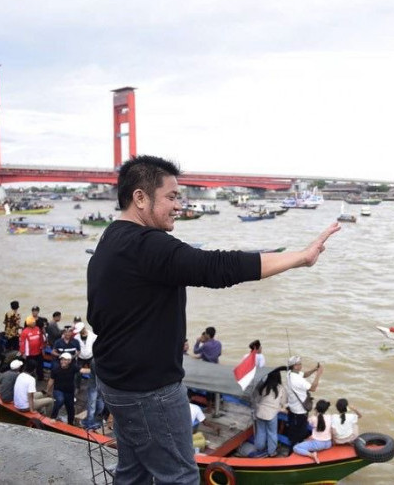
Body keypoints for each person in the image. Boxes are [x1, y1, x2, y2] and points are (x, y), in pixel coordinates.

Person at [86, 155, 340, 484]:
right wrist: (300, 258)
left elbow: (97, 315)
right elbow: (218, 268)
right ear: (140, 197)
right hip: (149, 388)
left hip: (114, 380)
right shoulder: (150, 246)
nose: (179, 205)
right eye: (172, 196)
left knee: (132, 469)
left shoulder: (110, 239)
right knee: (180, 476)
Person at [286, 355, 324, 448]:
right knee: (300, 432)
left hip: (292, 407)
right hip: (300, 411)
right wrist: (318, 374)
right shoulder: (298, 380)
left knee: (293, 428)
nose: (301, 365)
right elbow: (313, 388)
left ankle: (293, 440)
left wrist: (315, 369)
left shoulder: (289, 373)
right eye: (300, 364)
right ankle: (295, 447)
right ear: (295, 366)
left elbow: (304, 374)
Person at [253, 367, 288, 457]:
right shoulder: (281, 388)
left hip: (260, 413)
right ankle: (271, 452)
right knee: (272, 433)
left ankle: (259, 448)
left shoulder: (263, 386)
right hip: (271, 414)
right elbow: (283, 403)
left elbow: (257, 398)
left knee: (261, 431)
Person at [47, 352, 90, 424]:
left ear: (69, 361)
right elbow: (51, 381)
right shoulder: (55, 369)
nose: (63, 361)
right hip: (58, 390)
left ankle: (70, 423)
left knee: (70, 408)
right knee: (60, 400)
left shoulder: (73, 367)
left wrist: (95, 370)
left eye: (65, 360)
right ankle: (53, 417)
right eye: (62, 360)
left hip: (69, 392)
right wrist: (48, 390)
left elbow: (83, 370)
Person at [293, 399, 332, 464]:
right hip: (328, 443)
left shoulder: (313, 418)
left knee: (296, 447)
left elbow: (309, 424)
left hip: (318, 445)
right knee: (307, 439)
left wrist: (314, 414)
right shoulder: (330, 417)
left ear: (316, 408)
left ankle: (312, 455)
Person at [19, 316, 45, 381]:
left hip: (38, 352)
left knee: (40, 366)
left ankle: (40, 378)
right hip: (30, 354)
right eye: (33, 322)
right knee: (30, 366)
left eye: (34, 322)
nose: (34, 323)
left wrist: (42, 348)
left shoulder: (38, 329)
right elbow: (22, 343)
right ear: (29, 323)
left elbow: (41, 339)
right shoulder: (24, 332)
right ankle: (29, 378)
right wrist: (23, 353)